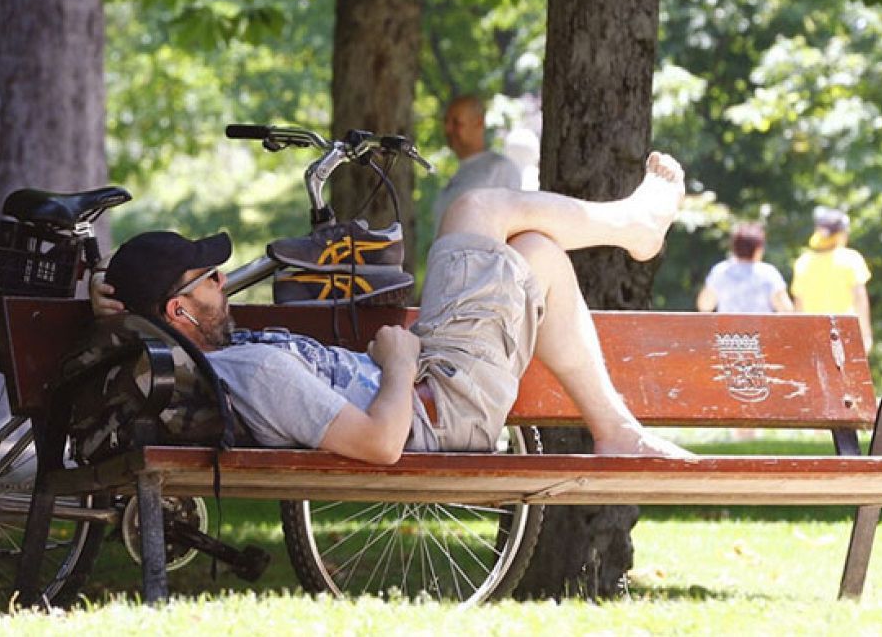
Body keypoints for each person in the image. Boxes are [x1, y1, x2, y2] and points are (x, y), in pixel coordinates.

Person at [96, 152, 693, 464]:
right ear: (179, 313)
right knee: (475, 209)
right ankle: (635, 224)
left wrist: (106, 310)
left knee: (536, 252)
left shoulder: (221, 355)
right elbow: (382, 444)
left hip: (435, 392)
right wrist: (399, 361)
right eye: (209, 279)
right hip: (438, 407)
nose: (225, 281)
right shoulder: (254, 373)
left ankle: (615, 431)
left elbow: (136, 333)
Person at [431, 94, 525, 230]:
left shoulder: (500, 168)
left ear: (479, 123)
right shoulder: (459, 174)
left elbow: (513, 227)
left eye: (456, 123)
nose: (448, 129)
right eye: (446, 122)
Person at [790, 206, 873, 351]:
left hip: (812, 335)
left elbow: (798, 306)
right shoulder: (851, 259)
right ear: (841, 234)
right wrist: (865, 335)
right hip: (844, 333)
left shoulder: (803, 262)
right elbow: (860, 299)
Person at [696, 222, 792, 314]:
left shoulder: (721, 271)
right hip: (760, 330)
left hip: (727, 331)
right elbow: (786, 309)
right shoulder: (768, 273)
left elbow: (705, 305)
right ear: (758, 249)